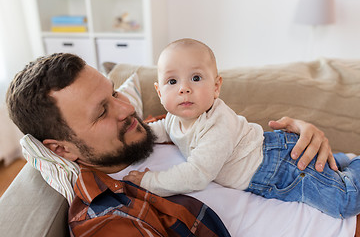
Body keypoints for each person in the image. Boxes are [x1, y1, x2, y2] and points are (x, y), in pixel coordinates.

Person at [6, 53, 337, 236]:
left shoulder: (151, 128)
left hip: (330, 181)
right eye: (102, 111)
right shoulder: (108, 216)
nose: (126, 109)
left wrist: (301, 133)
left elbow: (234, 136)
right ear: (62, 149)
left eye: (114, 93)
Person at [124, 38, 360, 219]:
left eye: (196, 78)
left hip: (278, 166)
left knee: (345, 202)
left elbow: (196, 175)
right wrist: (132, 133)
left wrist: (149, 181)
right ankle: (341, 161)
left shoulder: (217, 124)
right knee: (331, 176)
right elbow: (159, 129)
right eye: (172, 81)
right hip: (267, 164)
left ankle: (354, 163)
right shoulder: (174, 119)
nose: (184, 88)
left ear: (216, 87)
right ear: (159, 92)